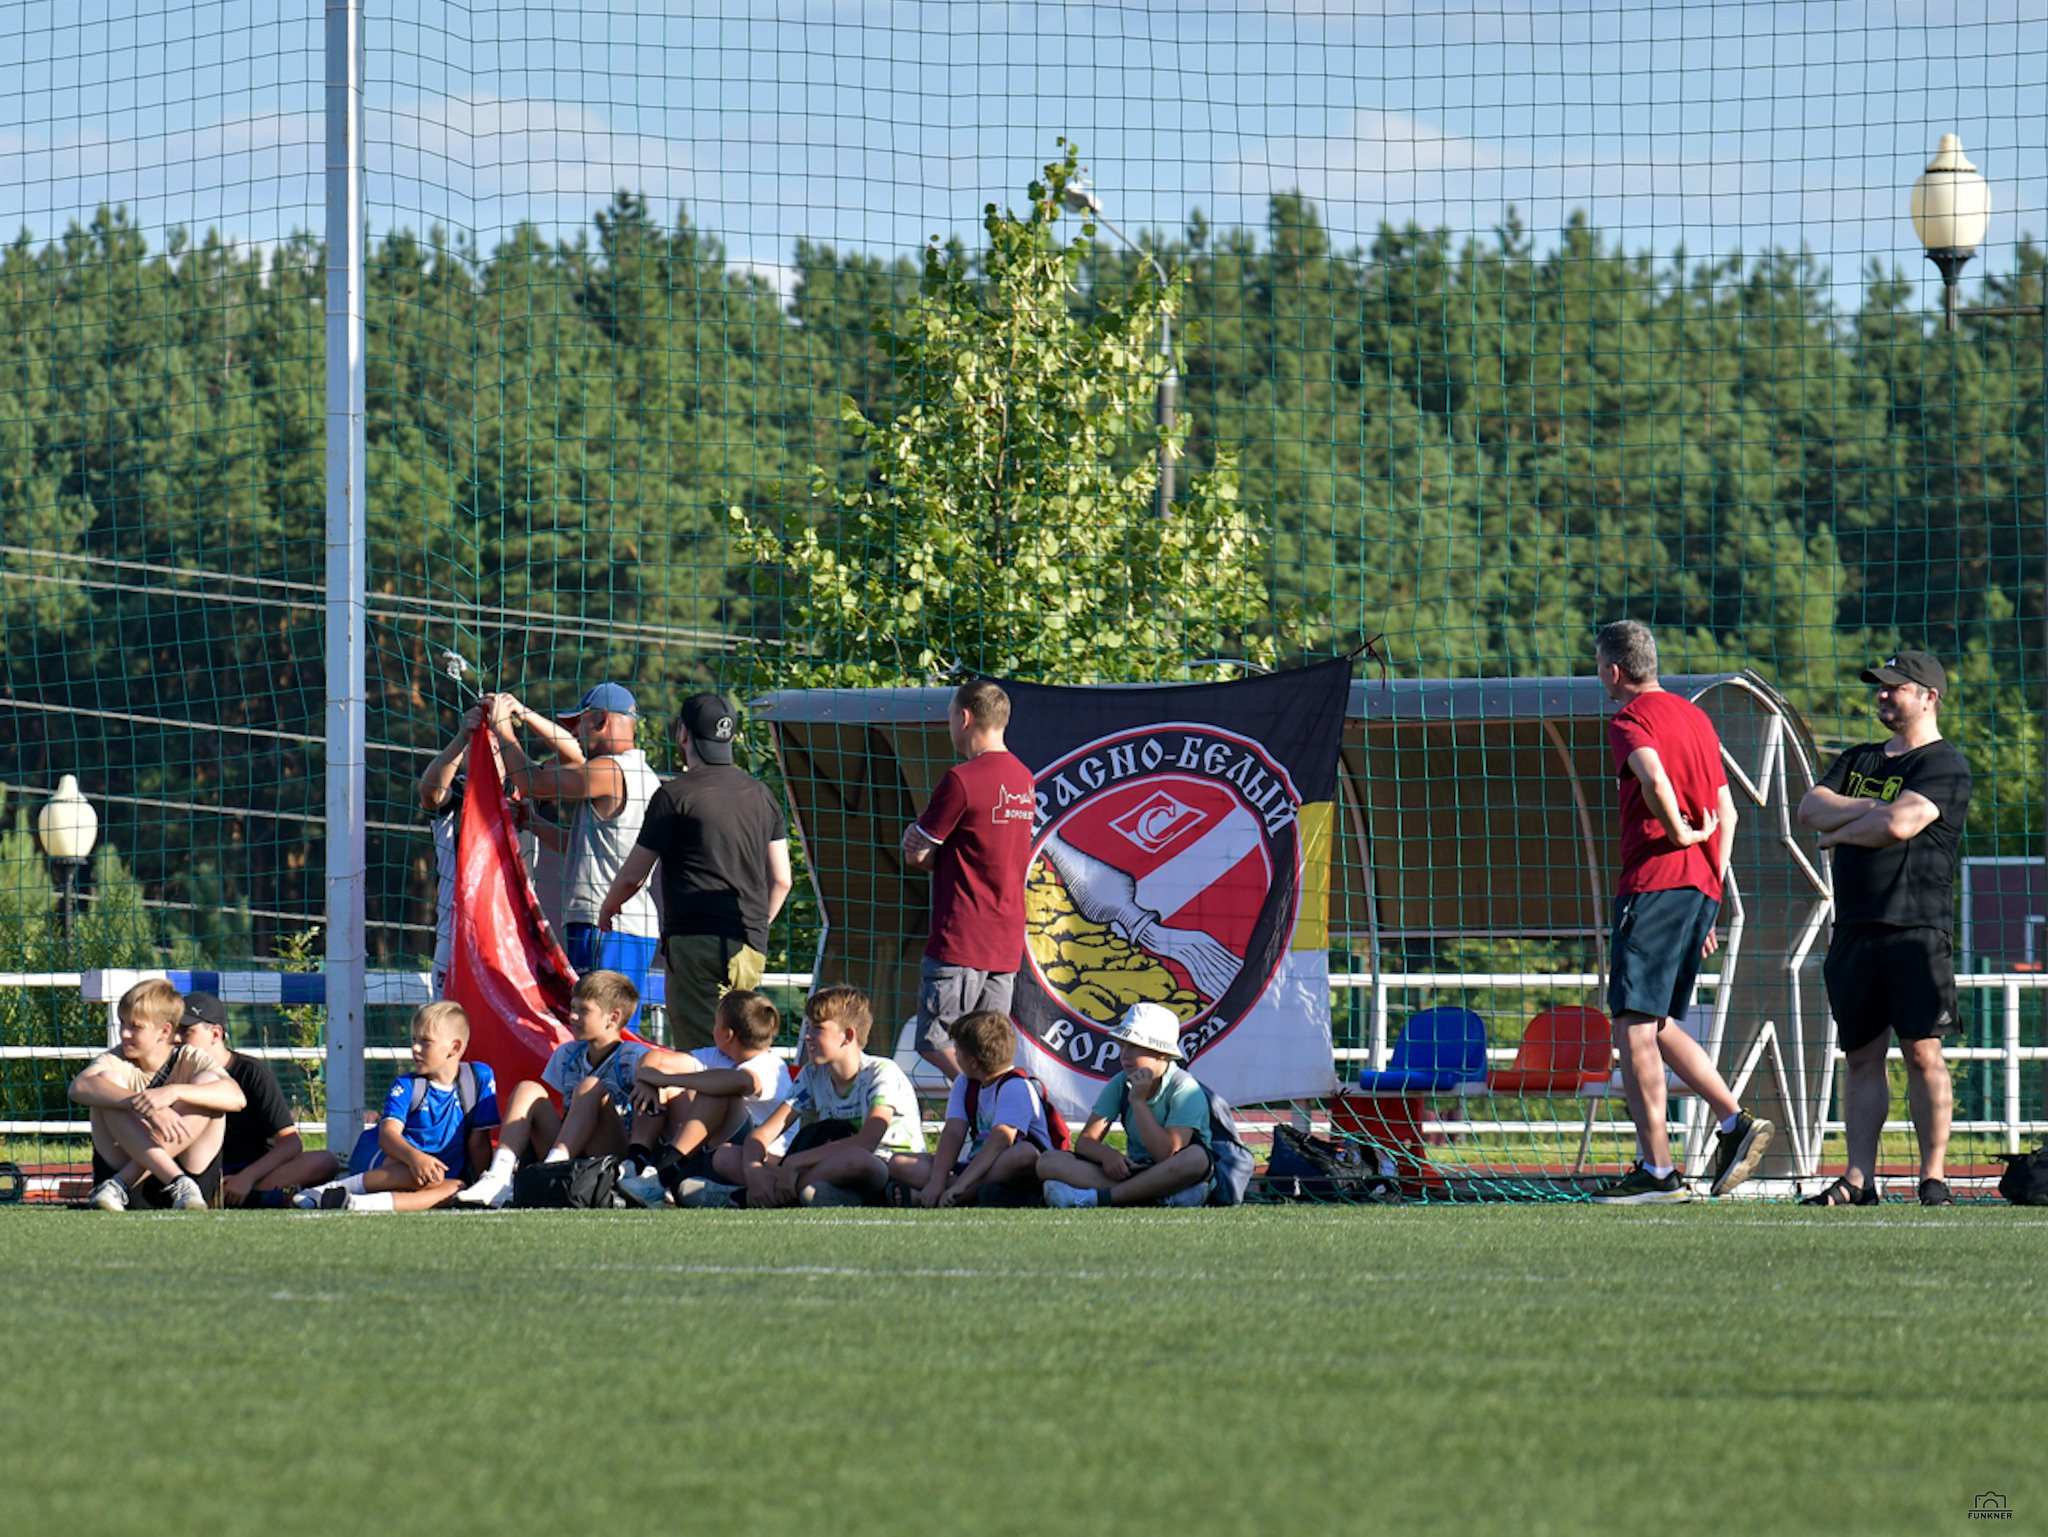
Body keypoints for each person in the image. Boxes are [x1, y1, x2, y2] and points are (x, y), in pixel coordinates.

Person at [1589, 620, 1774, 1204]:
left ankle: (1658, 1171)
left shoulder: (1630, 719)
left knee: (1632, 1023)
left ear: (1614, 670)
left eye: (1599, 667)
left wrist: (1679, 833)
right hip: (1699, 888)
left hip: (1654, 882)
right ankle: (1733, 1121)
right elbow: (1730, 814)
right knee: (1660, 1021)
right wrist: (1710, 890)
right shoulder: (1696, 717)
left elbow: (1653, 778)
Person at [1797, 650, 1972, 1207]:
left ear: (1929, 697)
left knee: (1923, 1052)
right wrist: (1866, 812)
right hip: (1853, 928)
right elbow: (1809, 810)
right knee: (1861, 1057)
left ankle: (1933, 1178)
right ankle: (1858, 1179)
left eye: (1895, 687)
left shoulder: (1945, 764)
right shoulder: (1858, 758)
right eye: (1880, 686)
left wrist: (1839, 831)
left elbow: (1897, 824)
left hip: (1916, 930)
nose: (1882, 694)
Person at [598, 692, 792, 1053]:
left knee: (702, 1056)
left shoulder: (674, 795)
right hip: (749, 944)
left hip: (694, 943)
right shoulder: (763, 796)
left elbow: (633, 876)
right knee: (743, 1049)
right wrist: (757, 924)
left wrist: (608, 908)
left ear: (683, 733)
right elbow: (782, 879)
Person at [490, 683, 661, 1019]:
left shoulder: (612, 771)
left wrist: (502, 727)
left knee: (600, 1027)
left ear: (601, 720)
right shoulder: (641, 773)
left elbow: (532, 782)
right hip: (627, 926)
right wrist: (533, 822)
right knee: (615, 1028)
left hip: (606, 925)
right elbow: (579, 847)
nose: (575, 736)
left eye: (578, 725)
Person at [899, 680, 1036, 1080]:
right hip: (1005, 941)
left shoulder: (962, 780)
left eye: (948, 718)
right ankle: (993, 1107)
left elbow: (917, 854)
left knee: (936, 1040)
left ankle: (977, 1097)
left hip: (960, 937)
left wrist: (916, 842)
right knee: (988, 1052)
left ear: (964, 718)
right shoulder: (1023, 779)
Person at [456, 970, 657, 1208]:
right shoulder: (567, 1054)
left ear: (613, 1018)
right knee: (528, 1089)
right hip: (569, 1149)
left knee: (590, 1086)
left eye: (584, 1010)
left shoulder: (634, 1056)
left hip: (611, 1154)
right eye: (573, 1007)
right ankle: (499, 1176)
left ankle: (549, 1173)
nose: (573, 1016)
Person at [296, 1002, 500, 1211]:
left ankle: (356, 1203)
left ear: (454, 1048)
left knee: (457, 1188)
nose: (415, 1048)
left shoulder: (478, 1079)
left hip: (434, 1174)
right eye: (414, 1040)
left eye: (425, 1041)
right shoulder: (407, 1085)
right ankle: (323, 1192)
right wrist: (415, 1158)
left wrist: (483, 1186)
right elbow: (388, 1136)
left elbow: (479, 1143)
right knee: (411, 1172)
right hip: (388, 1158)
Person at [70, 978, 246, 1211]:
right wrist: (142, 1105)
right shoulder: (115, 1059)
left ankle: (123, 1182)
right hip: (136, 1190)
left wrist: (175, 1093)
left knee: (207, 1085)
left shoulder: (190, 1057)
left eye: (136, 1027)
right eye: (122, 1023)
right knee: (107, 1085)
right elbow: (78, 1087)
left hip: (185, 1180)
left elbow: (237, 1098)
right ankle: (177, 1182)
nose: (124, 1034)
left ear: (164, 1031)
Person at [740, 984, 923, 1208]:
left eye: (817, 1028)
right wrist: (753, 1171)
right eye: (807, 1027)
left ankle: (765, 1195)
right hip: (830, 1166)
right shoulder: (812, 1073)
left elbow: (866, 1142)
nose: (807, 1036)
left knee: (856, 1159)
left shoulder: (881, 1073)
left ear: (848, 1036)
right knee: (726, 1156)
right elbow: (762, 1135)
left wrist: (795, 1163)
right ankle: (823, 1194)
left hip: (883, 1167)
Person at [612, 989, 794, 1209]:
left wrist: (664, 1078)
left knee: (718, 1092)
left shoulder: (770, 1065)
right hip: (714, 1152)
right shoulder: (720, 1055)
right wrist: (647, 1081)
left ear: (728, 1035)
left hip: (756, 1160)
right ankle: (636, 1164)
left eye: (716, 1023)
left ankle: (662, 1179)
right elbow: (656, 1058)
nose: (712, 1028)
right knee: (667, 1089)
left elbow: (741, 1082)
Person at [1035, 1002, 1213, 1208]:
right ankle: (1156, 1196)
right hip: (1136, 1171)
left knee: (1196, 1159)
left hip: (1173, 1171)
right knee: (1048, 1162)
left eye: (1134, 1046)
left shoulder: (1185, 1088)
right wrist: (1107, 1155)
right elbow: (1085, 1141)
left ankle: (1099, 1198)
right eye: (1123, 1046)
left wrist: (1138, 1102)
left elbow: (1166, 1155)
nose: (1124, 1055)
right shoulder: (1120, 1082)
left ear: (1161, 1053)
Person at [174, 991, 339, 1207]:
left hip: (256, 1170)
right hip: (201, 1169)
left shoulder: (252, 1073)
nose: (176, 1039)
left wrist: (247, 1177)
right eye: (174, 1031)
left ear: (215, 1034)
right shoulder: (174, 1070)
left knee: (324, 1162)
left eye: (186, 1031)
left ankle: (238, 1194)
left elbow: (290, 1142)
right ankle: (257, 1197)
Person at [889, 1009, 1050, 1207]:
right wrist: (937, 1181)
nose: (954, 1055)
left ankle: (952, 1197)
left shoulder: (1015, 1087)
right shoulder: (965, 1083)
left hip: (1012, 1167)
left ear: (973, 1062)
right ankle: (966, 1194)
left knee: (1025, 1154)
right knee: (898, 1163)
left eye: (956, 1051)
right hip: (975, 1167)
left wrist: (961, 1184)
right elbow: (953, 1133)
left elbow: (1000, 1141)